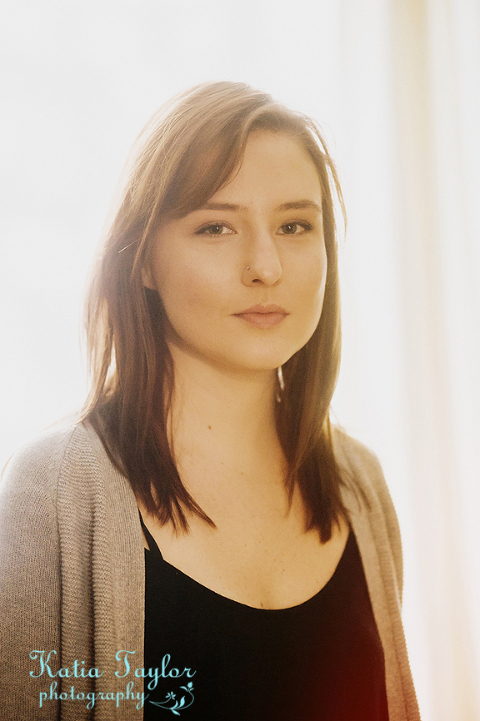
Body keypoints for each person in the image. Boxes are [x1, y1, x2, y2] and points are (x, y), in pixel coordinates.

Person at [0, 81, 420, 720]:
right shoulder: (56, 491)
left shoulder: (359, 483)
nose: (265, 265)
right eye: (216, 226)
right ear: (141, 259)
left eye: (295, 225)